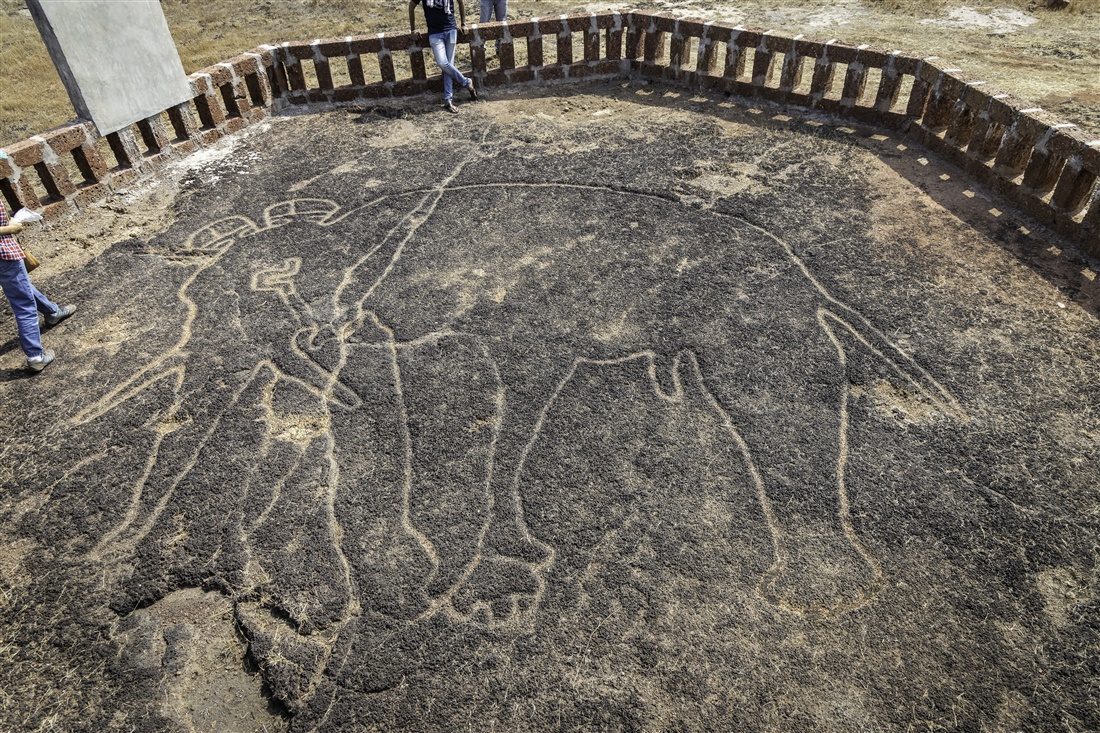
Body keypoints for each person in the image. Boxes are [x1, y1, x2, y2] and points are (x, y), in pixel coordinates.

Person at [0, 200, 76, 372]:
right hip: (4, 254)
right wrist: (10, 229)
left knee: (21, 287)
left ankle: (52, 312)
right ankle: (35, 356)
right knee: (24, 304)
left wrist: (10, 221)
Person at [409, 0, 479, 113]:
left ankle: (448, 100)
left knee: (448, 66)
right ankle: (466, 82)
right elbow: (411, 6)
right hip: (435, 33)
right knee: (443, 63)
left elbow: (461, 2)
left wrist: (463, 24)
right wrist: (413, 29)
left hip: (450, 30)